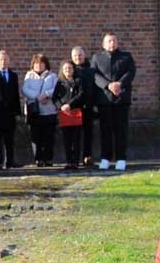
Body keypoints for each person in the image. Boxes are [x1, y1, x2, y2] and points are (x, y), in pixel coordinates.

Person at [91, 32, 137, 170]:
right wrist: (108, 85)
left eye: (114, 41)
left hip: (121, 99)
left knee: (121, 130)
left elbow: (131, 72)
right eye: (109, 41)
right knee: (105, 130)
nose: (112, 43)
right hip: (104, 100)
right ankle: (105, 158)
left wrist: (119, 84)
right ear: (103, 44)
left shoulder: (126, 57)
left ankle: (121, 158)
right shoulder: (97, 57)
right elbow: (94, 75)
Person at [21, 52, 59, 167]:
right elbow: (25, 89)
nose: (39, 65)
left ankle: (48, 158)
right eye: (36, 63)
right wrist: (37, 96)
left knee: (49, 136)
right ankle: (38, 158)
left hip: (49, 111)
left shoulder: (52, 76)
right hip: (34, 111)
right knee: (36, 136)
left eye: (41, 63)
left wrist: (46, 94)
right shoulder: (29, 76)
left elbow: (56, 88)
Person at [54, 59, 88, 170]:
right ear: (62, 70)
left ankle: (76, 161)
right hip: (64, 113)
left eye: (70, 68)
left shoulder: (78, 81)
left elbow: (81, 94)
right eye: (65, 69)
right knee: (66, 139)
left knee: (76, 138)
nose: (68, 70)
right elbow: (55, 98)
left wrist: (69, 104)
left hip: (75, 112)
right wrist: (61, 106)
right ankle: (69, 161)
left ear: (73, 69)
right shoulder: (59, 83)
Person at [69, 45, 97, 167]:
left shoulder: (91, 69)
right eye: (75, 56)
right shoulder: (69, 69)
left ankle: (87, 156)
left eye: (80, 55)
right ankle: (74, 158)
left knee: (88, 133)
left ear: (84, 56)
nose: (78, 57)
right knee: (74, 134)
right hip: (74, 106)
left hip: (88, 105)